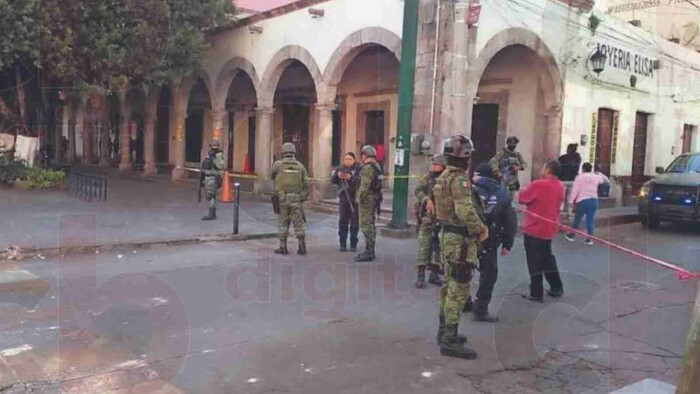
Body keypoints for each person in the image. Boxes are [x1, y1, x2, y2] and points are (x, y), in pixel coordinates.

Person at [433, 135, 489, 360]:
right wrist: (481, 229)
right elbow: (465, 211)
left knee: (449, 285)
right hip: (460, 241)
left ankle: (444, 331)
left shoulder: (444, 176)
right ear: (463, 157)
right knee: (459, 287)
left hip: (448, 235)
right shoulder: (459, 180)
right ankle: (449, 340)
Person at [471, 163, 517, 322]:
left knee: (464, 271)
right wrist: (507, 244)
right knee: (489, 275)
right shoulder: (502, 193)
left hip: (467, 239)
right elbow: (510, 221)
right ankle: (480, 309)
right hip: (490, 240)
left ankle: (463, 302)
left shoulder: (469, 190)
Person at [518, 160, 565, 302]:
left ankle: (536, 292)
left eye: (543, 167)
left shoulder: (538, 184)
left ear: (547, 170)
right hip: (550, 227)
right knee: (547, 258)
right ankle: (556, 287)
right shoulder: (560, 185)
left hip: (535, 227)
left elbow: (522, 198)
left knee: (534, 260)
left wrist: (522, 190)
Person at [413, 154, 447, 289]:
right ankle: (420, 275)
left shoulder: (447, 179)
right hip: (427, 217)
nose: (434, 167)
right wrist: (427, 199)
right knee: (424, 246)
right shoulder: (427, 178)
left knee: (439, 247)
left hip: (442, 218)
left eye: (437, 165)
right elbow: (418, 190)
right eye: (433, 164)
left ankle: (435, 274)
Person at [271, 142, 309, 255]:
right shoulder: (301, 166)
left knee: (283, 222)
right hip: (296, 198)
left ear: (283, 152)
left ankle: (283, 247)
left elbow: (272, 175)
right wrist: (302, 197)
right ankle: (302, 245)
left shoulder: (278, 165)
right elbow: (306, 184)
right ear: (294, 152)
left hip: (282, 198)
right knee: (298, 222)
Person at [565, 162, 607, 245]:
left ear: (583, 169)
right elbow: (603, 180)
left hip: (582, 200)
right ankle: (589, 239)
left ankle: (571, 235)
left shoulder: (579, 177)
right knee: (590, 220)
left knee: (577, 219)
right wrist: (597, 173)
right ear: (591, 169)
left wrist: (571, 201)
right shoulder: (596, 177)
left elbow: (575, 190)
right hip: (594, 200)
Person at [355, 145, 383, 262]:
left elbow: (364, 186)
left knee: (366, 224)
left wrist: (358, 198)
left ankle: (369, 251)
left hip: (367, 199)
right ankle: (370, 249)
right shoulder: (377, 166)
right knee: (371, 224)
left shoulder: (367, 168)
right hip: (375, 197)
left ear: (364, 155)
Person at [331, 152, 361, 252]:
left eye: (350, 159)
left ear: (354, 160)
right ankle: (342, 244)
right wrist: (337, 175)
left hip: (355, 199)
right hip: (344, 198)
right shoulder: (340, 168)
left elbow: (361, 181)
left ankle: (353, 244)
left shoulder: (358, 169)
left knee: (354, 223)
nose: (348, 161)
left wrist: (351, 177)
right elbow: (333, 180)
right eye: (346, 159)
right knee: (343, 222)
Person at [201, 140, 225, 221]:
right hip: (207, 177)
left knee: (211, 195)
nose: (213, 148)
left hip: (213, 177)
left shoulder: (219, 154)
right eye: (212, 146)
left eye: (215, 146)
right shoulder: (209, 153)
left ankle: (211, 213)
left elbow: (220, 165)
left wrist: (214, 158)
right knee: (208, 195)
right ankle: (212, 212)